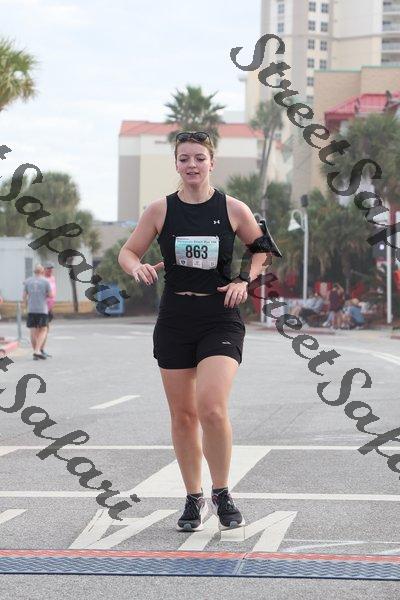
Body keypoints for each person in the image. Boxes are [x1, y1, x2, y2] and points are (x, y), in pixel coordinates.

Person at [118, 131, 280, 532]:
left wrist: (244, 279)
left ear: (212, 162)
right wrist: (136, 266)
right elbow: (128, 251)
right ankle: (193, 496)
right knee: (183, 415)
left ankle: (222, 491)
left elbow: (262, 249)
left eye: (199, 158)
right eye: (184, 158)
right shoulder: (160, 210)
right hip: (175, 318)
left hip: (219, 316)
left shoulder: (233, 208)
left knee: (211, 407)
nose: (192, 165)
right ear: (176, 164)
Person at [23, 264, 53, 360]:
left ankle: (35, 352)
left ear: (34, 271)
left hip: (31, 309)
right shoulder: (46, 281)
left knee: (33, 331)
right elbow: (51, 295)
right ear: (42, 271)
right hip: (42, 309)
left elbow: (24, 296)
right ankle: (37, 350)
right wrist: (44, 294)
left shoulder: (28, 281)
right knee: (43, 329)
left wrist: (26, 306)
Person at [40, 261, 57, 357]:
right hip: (42, 307)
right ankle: (39, 350)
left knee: (46, 328)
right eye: (48, 268)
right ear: (44, 269)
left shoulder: (53, 278)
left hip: (50, 308)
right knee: (42, 328)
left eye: (51, 268)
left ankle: (41, 349)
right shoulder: (41, 279)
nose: (50, 270)